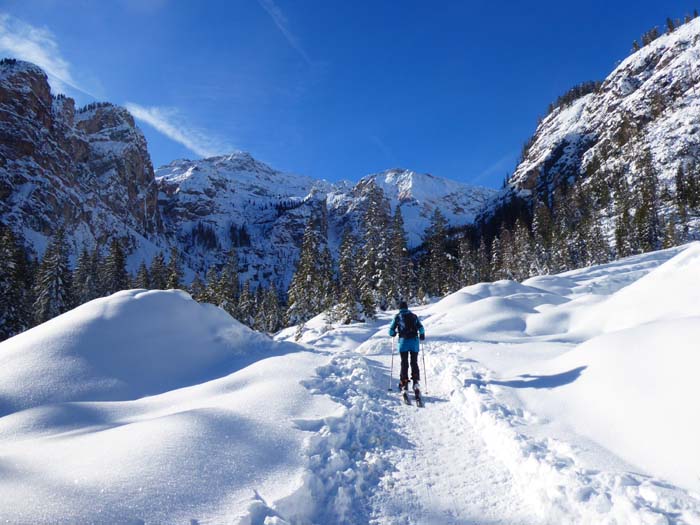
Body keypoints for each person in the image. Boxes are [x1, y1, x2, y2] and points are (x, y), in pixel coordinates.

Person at [389, 300, 425, 392]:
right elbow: (421, 328)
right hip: (414, 342)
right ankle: (416, 382)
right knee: (414, 362)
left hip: (403, 342)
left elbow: (391, 330)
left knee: (404, 362)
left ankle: (404, 382)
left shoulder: (397, 317)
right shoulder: (414, 316)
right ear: (407, 307)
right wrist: (422, 335)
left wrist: (393, 333)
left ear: (399, 308)